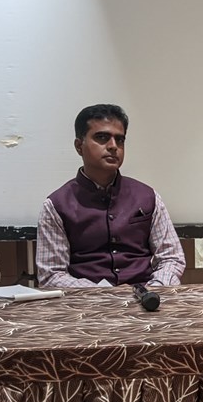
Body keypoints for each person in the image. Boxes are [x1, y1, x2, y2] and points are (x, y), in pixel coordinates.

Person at [37, 104, 185, 288]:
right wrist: (103, 294)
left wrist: (152, 290)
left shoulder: (148, 196)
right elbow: (51, 275)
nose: (113, 146)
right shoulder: (56, 205)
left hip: (147, 296)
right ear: (79, 146)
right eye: (102, 137)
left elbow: (172, 257)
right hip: (86, 300)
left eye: (120, 140)